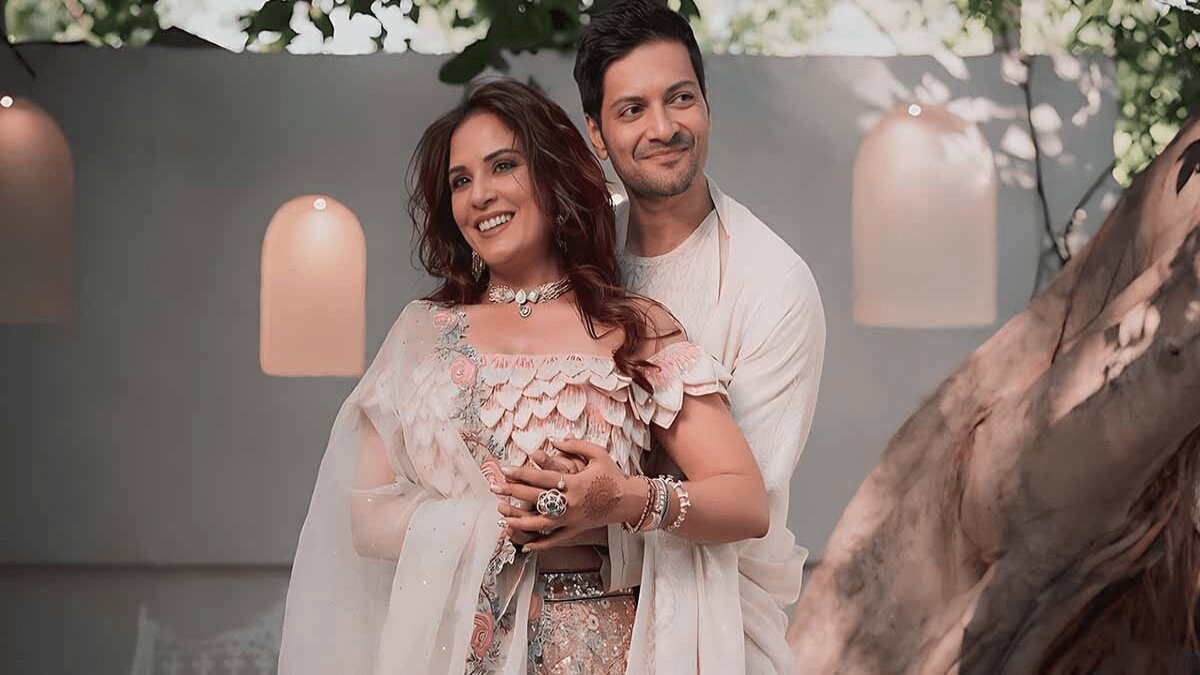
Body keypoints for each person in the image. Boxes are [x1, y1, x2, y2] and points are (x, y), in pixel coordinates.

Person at [277, 78, 770, 675]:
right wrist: (501, 523)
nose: (480, 194)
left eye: (503, 165)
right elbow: (365, 518)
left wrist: (619, 500)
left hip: (603, 654)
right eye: (460, 181)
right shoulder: (421, 336)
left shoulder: (632, 329)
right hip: (455, 651)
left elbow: (744, 501)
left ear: (553, 176)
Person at [538, 1, 827, 672]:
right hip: (563, 625)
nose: (663, 128)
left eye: (680, 98)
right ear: (597, 133)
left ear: (706, 104)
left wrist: (615, 501)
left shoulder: (772, 283)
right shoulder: (576, 256)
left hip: (715, 628)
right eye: (632, 110)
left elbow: (743, 508)